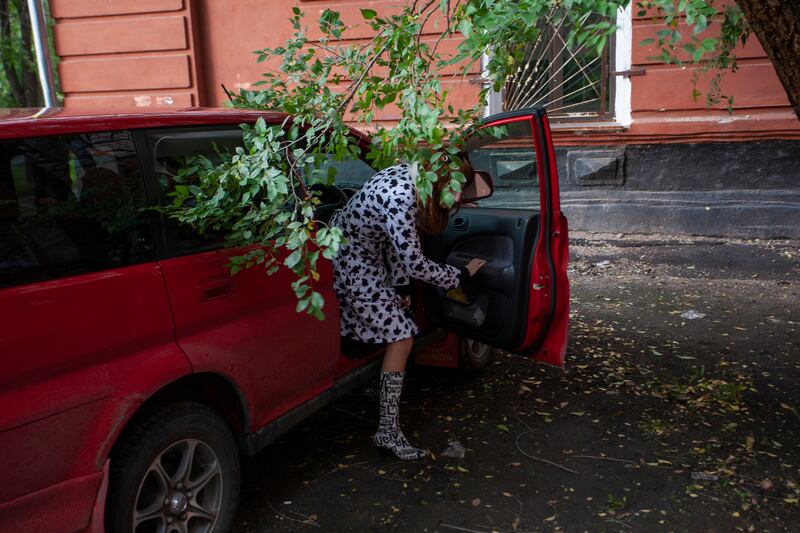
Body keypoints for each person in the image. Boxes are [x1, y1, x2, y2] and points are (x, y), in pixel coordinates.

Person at [330, 154, 486, 460]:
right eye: (454, 187)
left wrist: (400, 285)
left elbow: (393, 238)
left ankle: (382, 404)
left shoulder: (409, 176)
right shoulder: (402, 197)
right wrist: (460, 275)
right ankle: (387, 432)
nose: (457, 197)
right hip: (352, 262)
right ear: (437, 179)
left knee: (398, 329)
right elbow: (415, 262)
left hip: (367, 254)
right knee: (401, 337)